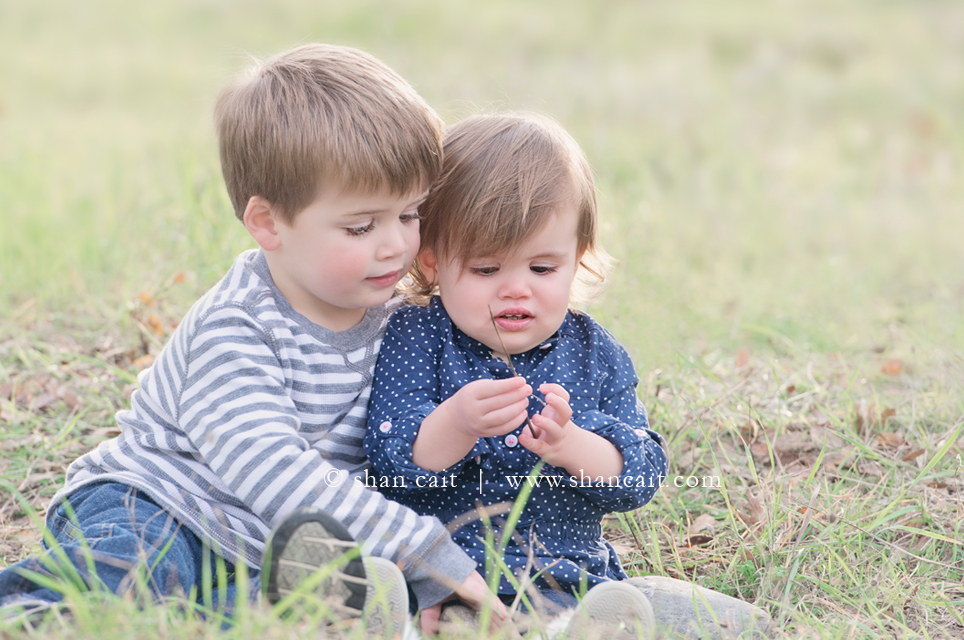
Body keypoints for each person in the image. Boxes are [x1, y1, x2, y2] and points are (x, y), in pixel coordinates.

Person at [0, 44, 507, 636]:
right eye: (360, 226)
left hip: (271, 545)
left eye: (410, 213)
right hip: (165, 505)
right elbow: (273, 470)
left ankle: (287, 614)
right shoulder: (238, 326)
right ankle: (28, 615)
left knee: (274, 604)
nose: (395, 245)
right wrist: (423, 549)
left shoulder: (404, 320)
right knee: (136, 573)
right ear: (267, 223)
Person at [364, 112, 670, 636]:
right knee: (412, 606)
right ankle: (385, 618)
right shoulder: (416, 335)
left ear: (578, 259)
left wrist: (573, 446)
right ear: (433, 263)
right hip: (446, 576)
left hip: (564, 576)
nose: (516, 289)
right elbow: (390, 458)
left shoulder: (597, 353)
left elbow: (639, 476)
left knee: (602, 615)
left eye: (542, 268)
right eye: (487, 269)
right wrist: (456, 423)